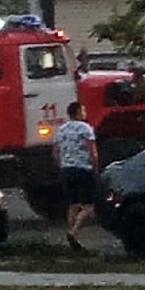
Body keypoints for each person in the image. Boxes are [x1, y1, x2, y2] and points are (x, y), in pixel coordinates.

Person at [53, 101, 99, 251]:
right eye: (83, 110)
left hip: (67, 170)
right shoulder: (85, 128)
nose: (85, 113)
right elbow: (92, 151)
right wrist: (95, 167)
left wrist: (62, 165)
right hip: (83, 169)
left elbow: (55, 152)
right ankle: (74, 231)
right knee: (89, 207)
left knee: (72, 205)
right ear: (78, 112)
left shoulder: (61, 129)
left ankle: (71, 233)